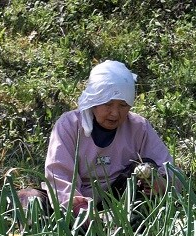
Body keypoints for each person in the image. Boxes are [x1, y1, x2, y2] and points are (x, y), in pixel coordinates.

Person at [19, 60, 175, 216]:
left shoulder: (138, 127)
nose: (115, 113)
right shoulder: (69, 125)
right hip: (73, 205)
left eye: (123, 105)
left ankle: (124, 228)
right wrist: (78, 207)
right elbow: (58, 175)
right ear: (94, 100)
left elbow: (170, 169)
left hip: (118, 201)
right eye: (107, 104)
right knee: (28, 199)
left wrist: (161, 182)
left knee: (146, 168)